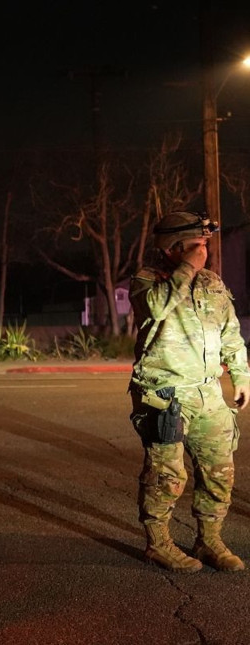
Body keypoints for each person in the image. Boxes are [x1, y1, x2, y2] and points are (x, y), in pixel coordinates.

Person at [128, 210, 249, 573]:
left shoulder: (212, 282)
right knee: (166, 475)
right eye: (196, 245)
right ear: (172, 248)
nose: (204, 251)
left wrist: (241, 375)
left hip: (208, 392)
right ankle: (158, 543)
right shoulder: (148, 280)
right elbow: (158, 307)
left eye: (205, 244)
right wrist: (188, 268)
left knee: (219, 471)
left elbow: (230, 332)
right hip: (165, 392)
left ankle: (209, 539)